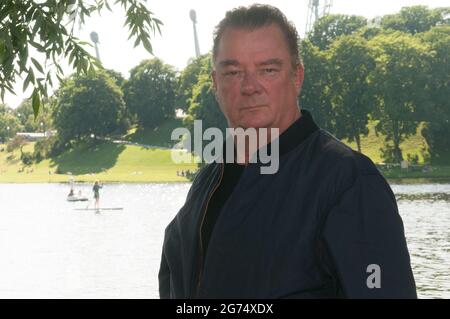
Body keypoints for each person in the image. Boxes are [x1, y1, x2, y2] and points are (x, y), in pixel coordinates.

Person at [159, 4, 416, 298]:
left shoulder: (347, 181)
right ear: (215, 83)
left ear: (297, 77)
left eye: (268, 69)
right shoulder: (206, 184)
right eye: (233, 72)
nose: (250, 86)